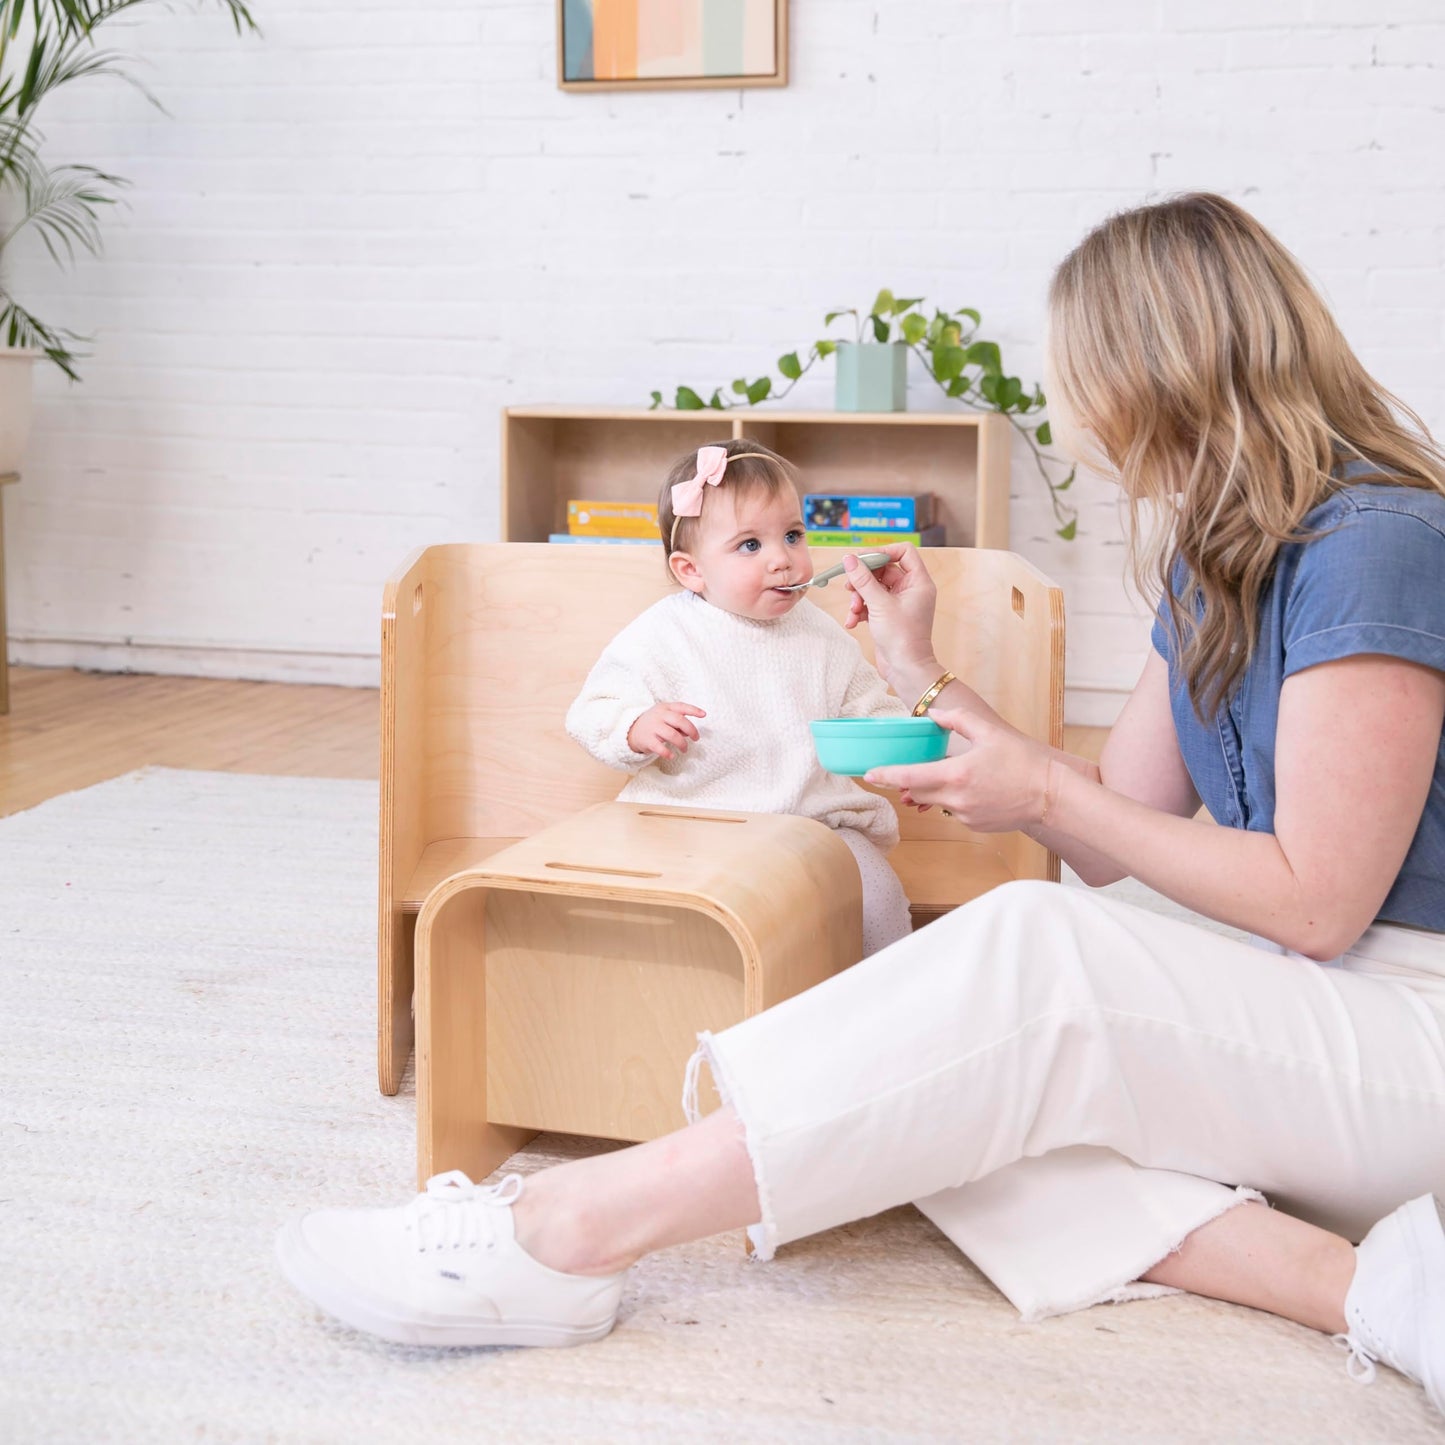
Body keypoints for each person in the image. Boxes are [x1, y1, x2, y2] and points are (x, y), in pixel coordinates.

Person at [275, 194, 1445, 1416]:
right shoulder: (1214, 556)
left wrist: (1037, 789)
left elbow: (1316, 903)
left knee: (1018, 971)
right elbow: (1109, 822)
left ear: (1162, 374)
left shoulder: (1375, 541)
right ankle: (1380, 1290)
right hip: (1316, 1024)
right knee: (940, 1107)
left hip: (1401, 1025)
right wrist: (916, 668)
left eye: (1086, 385)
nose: (1081, 422)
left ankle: (567, 1229)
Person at [563, 438, 913, 957]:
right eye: (751, 545)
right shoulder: (663, 634)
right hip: (691, 828)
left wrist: (912, 755)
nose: (783, 559)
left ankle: (886, 995)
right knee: (677, 925)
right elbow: (592, 711)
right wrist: (636, 727)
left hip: (814, 828)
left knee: (880, 897)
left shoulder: (822, 635)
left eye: (793, 535)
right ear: (692, 571)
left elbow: (870, 711)